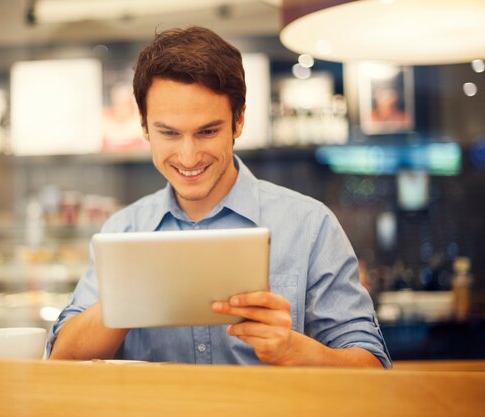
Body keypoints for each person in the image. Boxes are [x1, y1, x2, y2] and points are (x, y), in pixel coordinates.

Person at [48, 26, 391, 368]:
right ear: (144, 126)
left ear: (238, 121)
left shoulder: (310, 226)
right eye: (168, 133)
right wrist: (127, 299)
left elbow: (374, 368)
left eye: (207, 131)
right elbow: (60, 357)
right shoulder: (122, 229)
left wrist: (296, 351)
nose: (188, 156)